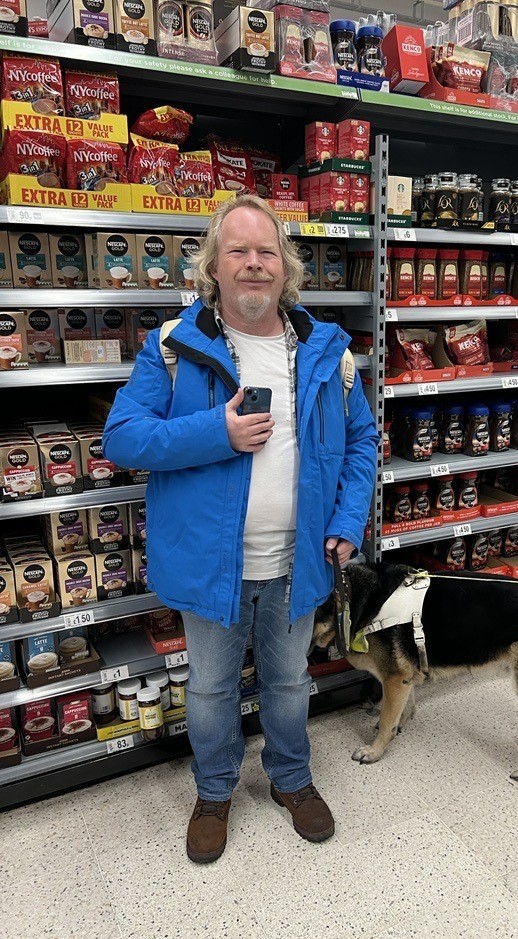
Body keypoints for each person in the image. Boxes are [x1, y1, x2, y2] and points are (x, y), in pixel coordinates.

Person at [103, 195, 379, 863]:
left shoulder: (329, 353)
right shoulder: (171, 350)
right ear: (213, 268)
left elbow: (364, 441)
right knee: (210, 688)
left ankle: (291, 778)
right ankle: (215, 790)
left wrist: (347, 520)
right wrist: (216, 433)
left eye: (267, 252)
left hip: (297, 563)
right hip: (209, 565)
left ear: (285, 269)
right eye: (239, 251)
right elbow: (123, 437)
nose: (254, 263)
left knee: (289, 683)